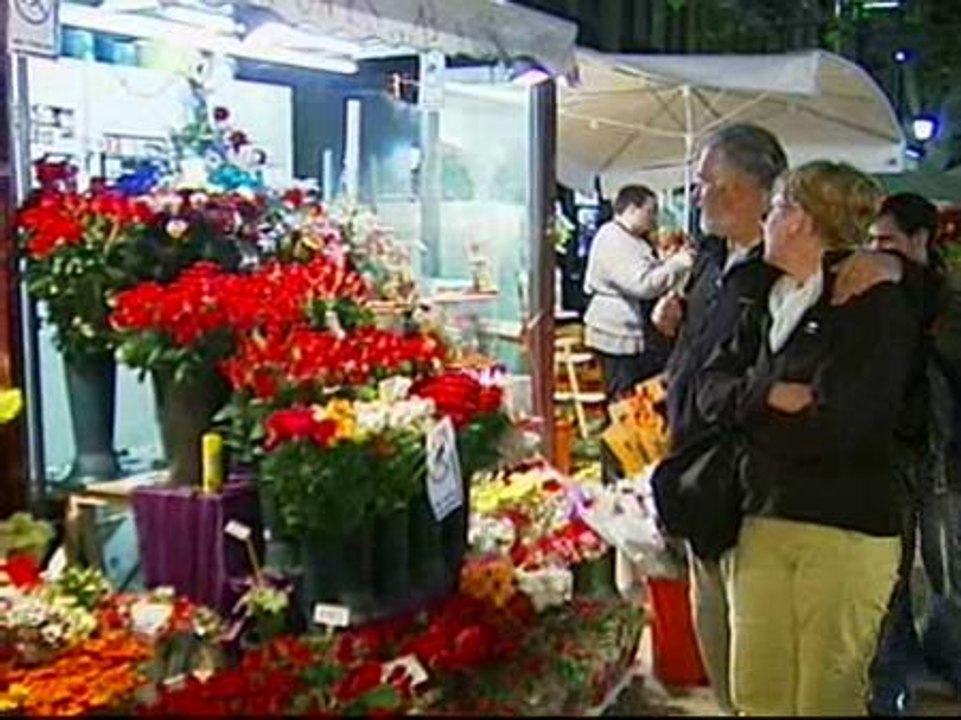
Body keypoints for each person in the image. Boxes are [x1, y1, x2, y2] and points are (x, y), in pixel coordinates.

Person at [653, 123, 904, 715]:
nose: (767, 215)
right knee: (757, 692)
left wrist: (748, 413)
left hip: (839, 524)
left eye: (778, 207)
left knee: (825, 696)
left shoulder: (865, 298)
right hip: (751, 512)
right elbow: (712, 386)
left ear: (796, 218)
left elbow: (840, 423)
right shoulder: (754, 288)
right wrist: (765, 398)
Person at [867, 193, 961, 716]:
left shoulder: (943, 305)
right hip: (892, 461)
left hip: (941, 464)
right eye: (873, 241)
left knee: (945, 574)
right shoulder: (878, 293)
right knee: (893, 581)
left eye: (889, 241)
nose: (878, 251)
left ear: (921, 241)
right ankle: (894, 690)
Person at [583, 184, 692, 404]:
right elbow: (640, 284)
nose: (654, 218)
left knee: (641, 393)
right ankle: (622, 437)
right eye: (650, 211)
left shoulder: (636, 239)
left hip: (637, 332)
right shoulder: (612, 238)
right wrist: (676, 265)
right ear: (632, 209)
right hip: (615, 334)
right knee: (623, 397)